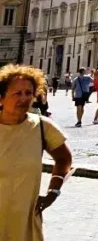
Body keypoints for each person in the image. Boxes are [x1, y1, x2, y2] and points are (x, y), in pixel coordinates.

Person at [0, 65, 73, 241]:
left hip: (24, 223)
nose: (24, 98)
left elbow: (64, 159)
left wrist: (53, 192)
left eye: (29, 93)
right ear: (1, 98)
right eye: (17, 93)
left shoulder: (42, 127)